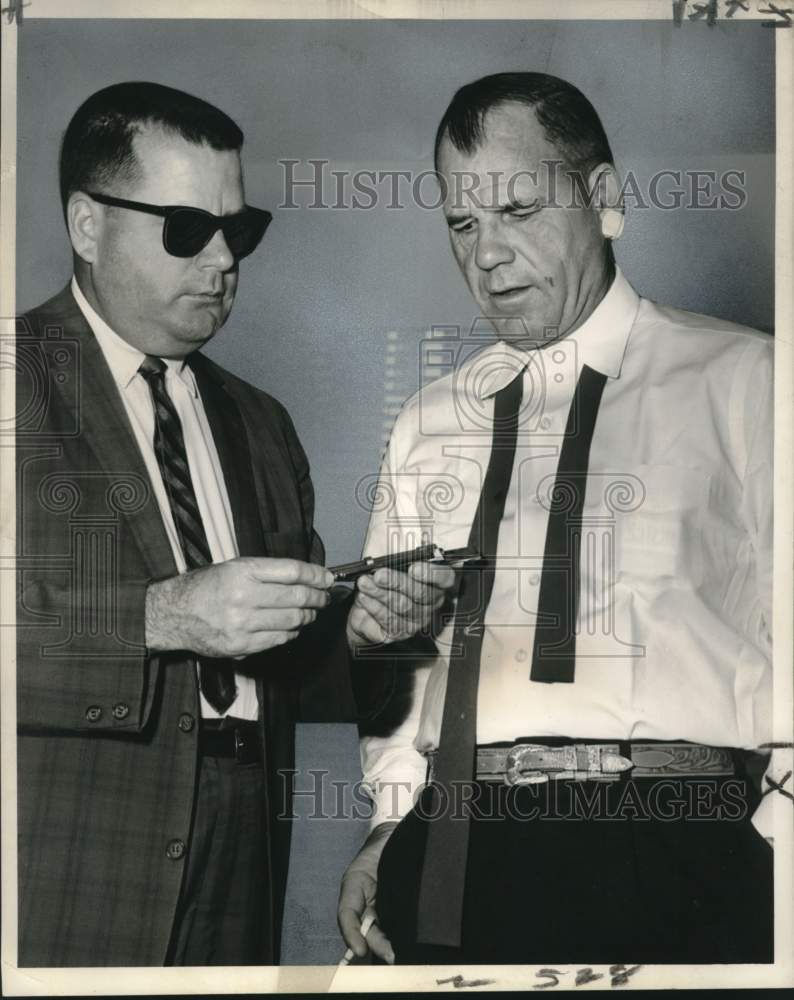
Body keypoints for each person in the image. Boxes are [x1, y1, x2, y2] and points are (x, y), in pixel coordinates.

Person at [338, 72, 782, 966]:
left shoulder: (749, 380)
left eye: (518, 211)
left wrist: (776, 841)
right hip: (457, 849)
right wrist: (393, 825)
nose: (488, 255)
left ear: (606, 200)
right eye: (463, 225)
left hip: (682, 846)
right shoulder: (429, 418)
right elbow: (399, 672)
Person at [15, 81, 454, 967]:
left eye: (239, 231)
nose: (223, 260)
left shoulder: (261, 424)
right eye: (186, 229)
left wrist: (371, 637)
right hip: (57, 861)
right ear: (87, 225)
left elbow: (296, 669)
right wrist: (162, 617)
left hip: (244, 851)